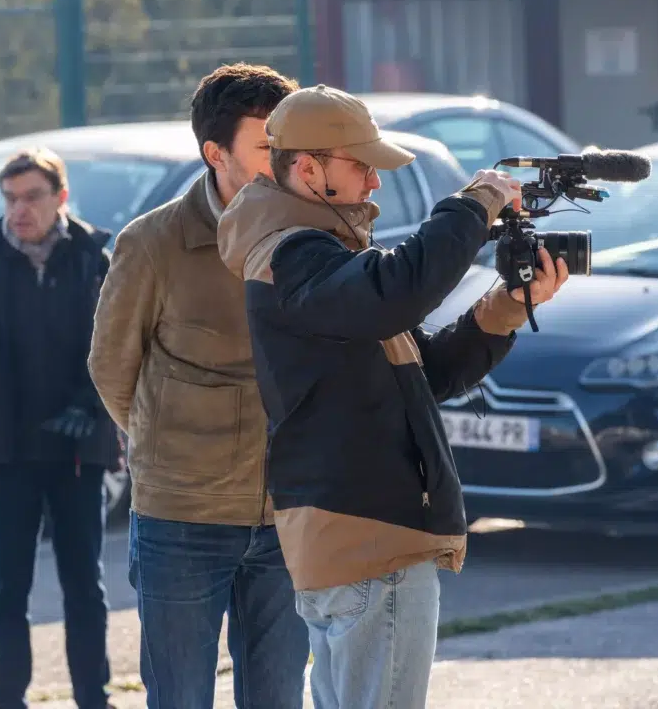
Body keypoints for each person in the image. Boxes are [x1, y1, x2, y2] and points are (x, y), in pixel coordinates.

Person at [216, 84, 570, 709]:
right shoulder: (295, 254)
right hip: (368, 541)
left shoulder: (319, 261)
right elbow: (401, 289)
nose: (376, 183)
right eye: (362, 166)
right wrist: (475, 203)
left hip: (355, 538)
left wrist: (509, 305)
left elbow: (426, 375)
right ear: (307, 169)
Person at [87, 63, 309, 709]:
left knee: (278, 697)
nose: (287, 161)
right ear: (216, 154)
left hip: (290, 515)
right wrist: (174, 450)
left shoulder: (314, 234)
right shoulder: (151, 244)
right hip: (182, 519)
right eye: (267, 147)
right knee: (180, 697)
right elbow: (112, 369)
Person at [0, 148, 120, 709]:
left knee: (85, 586)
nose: (19, 210)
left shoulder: (94, 259)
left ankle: (95, 698)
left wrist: (91, 405)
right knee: (8, 587)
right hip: (3, 448)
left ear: (61, 197)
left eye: (32, 197)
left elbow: (123, 346)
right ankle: (7, 698)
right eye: (10, 198)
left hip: (76, 448)